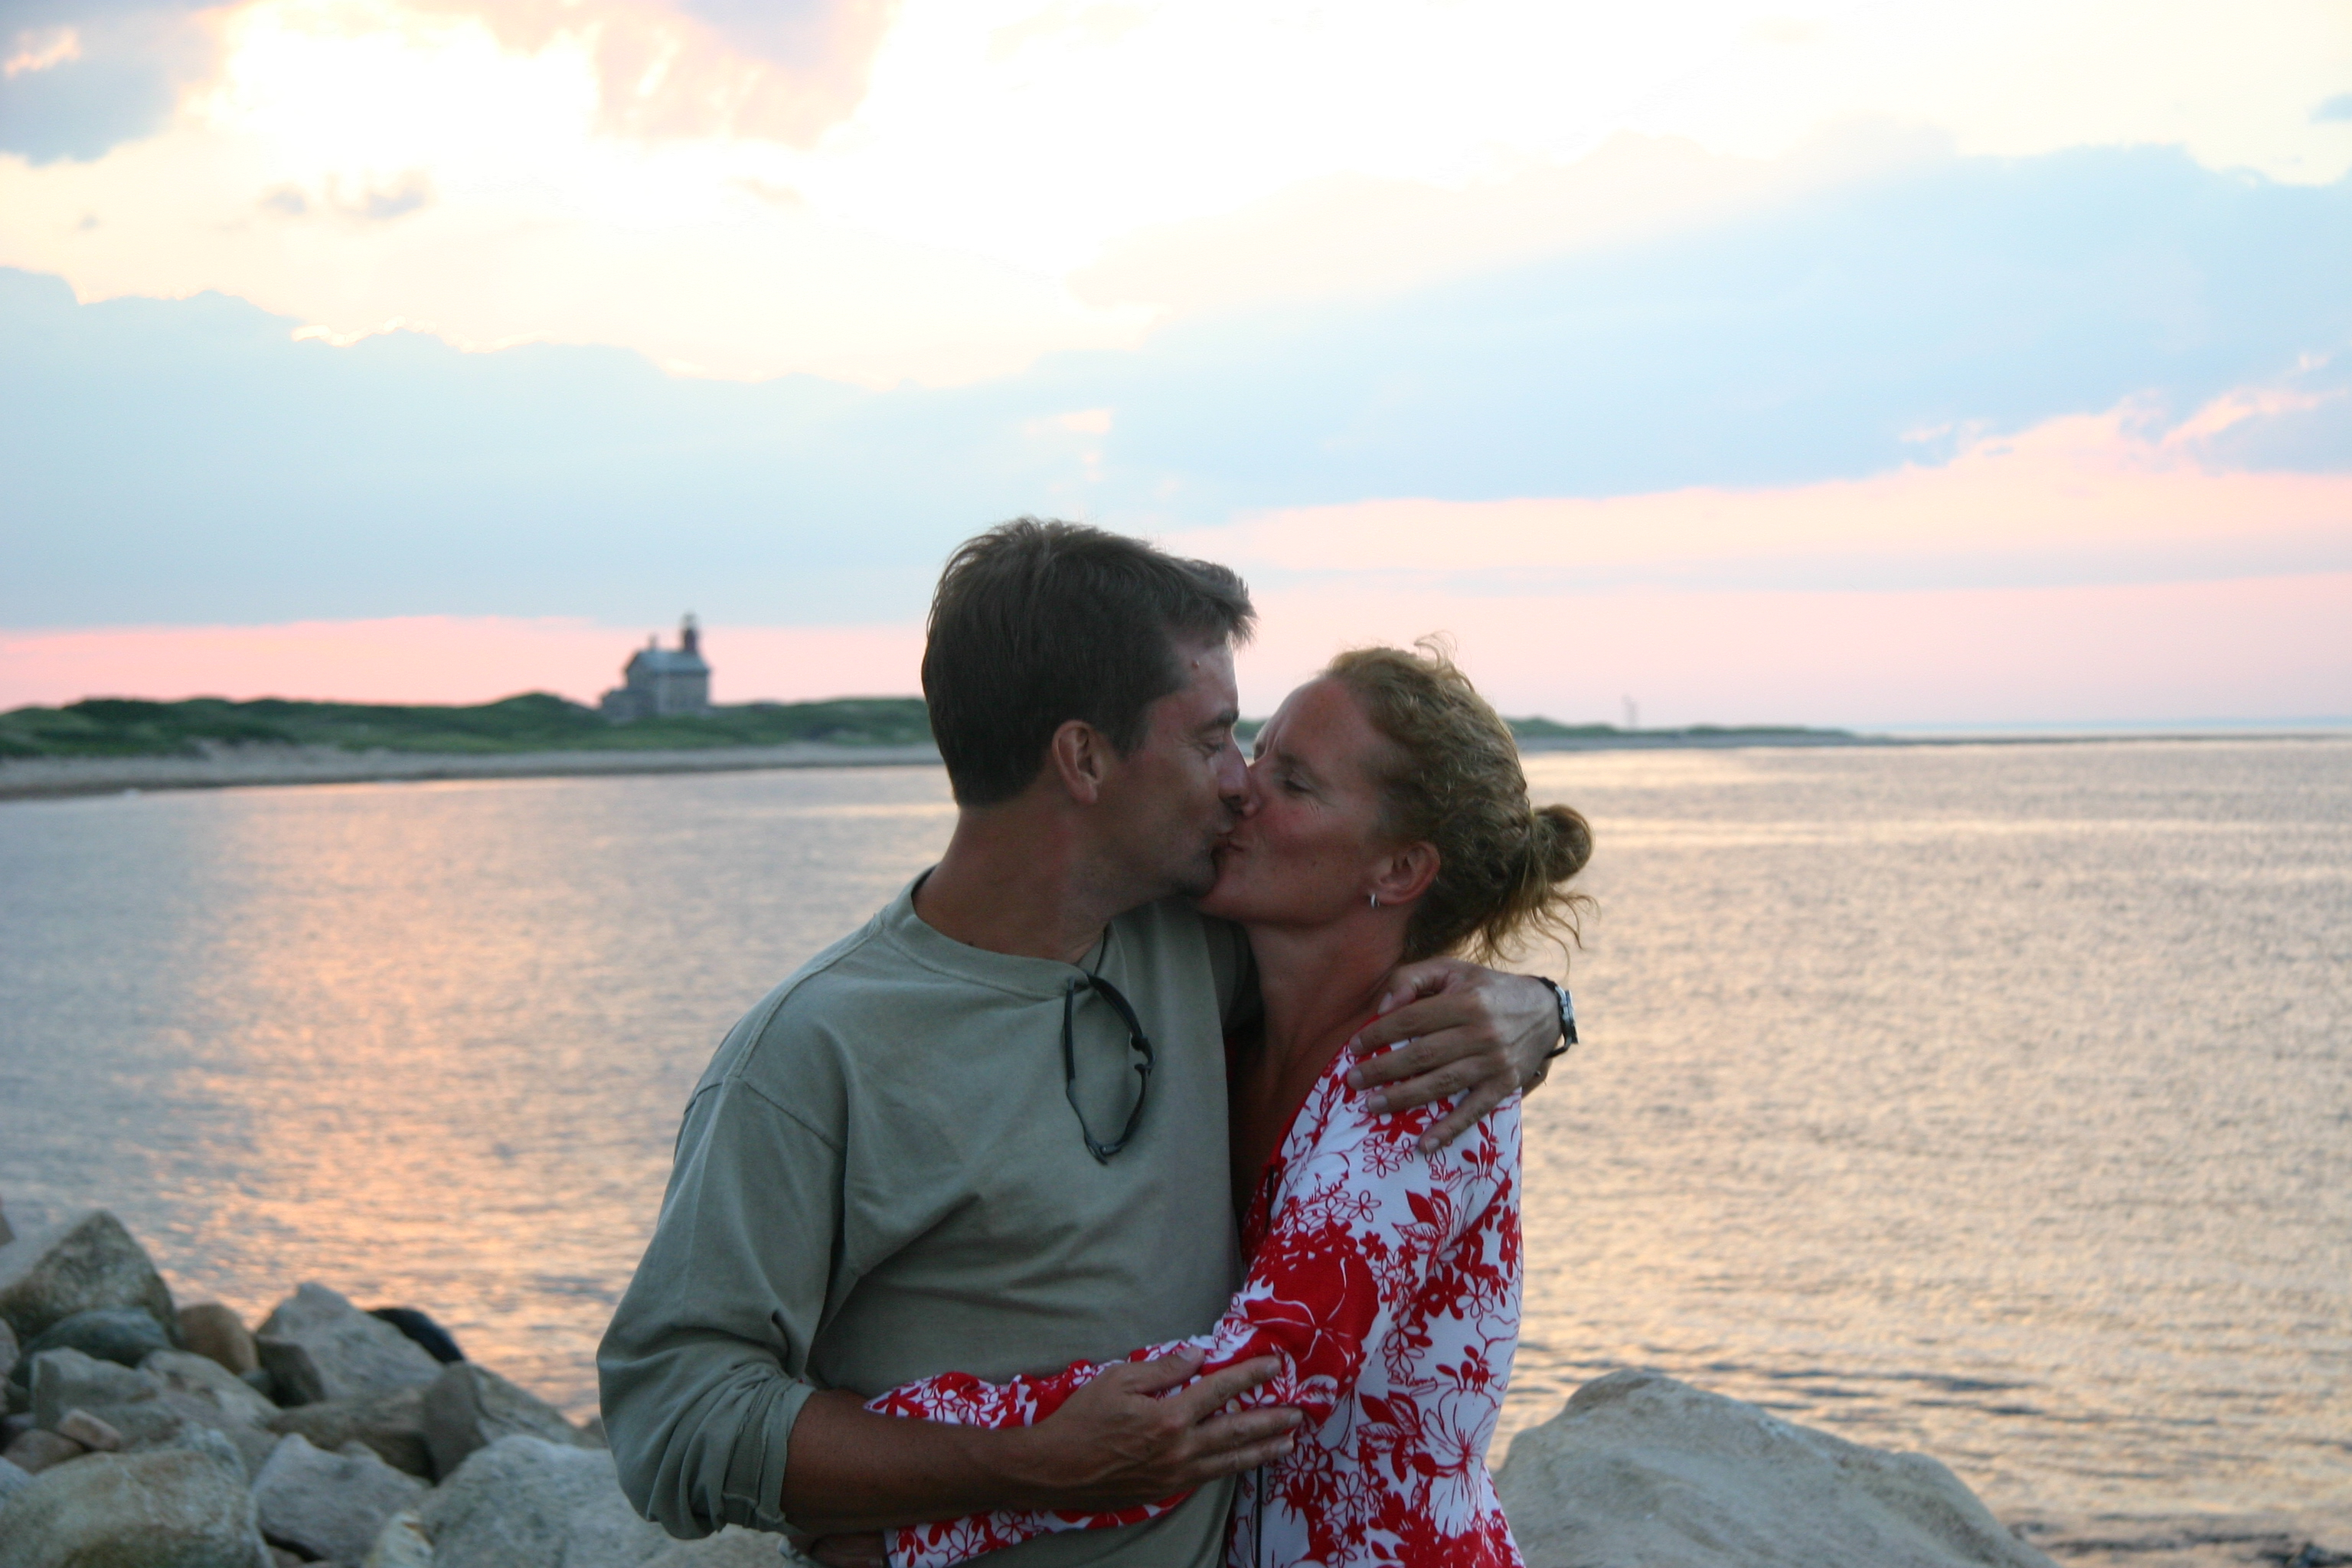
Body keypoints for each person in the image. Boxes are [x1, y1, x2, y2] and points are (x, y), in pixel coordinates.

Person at [598, 521, 1574, 1567]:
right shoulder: (812, 1054)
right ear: (1085, 758)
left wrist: (1539, 1008)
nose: (1239, 783)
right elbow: (674, 1415)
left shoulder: (1202, 956)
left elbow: (1370, 962)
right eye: (1215, 740)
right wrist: (1012, 1465)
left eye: (1270, 766)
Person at [835, 642, 1589, 1568]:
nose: (1239, 786)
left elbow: (1255, 1384)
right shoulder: (1209, 1039)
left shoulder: (1419, 1081)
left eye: (1294, 782)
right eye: (1256, 750)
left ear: (1398, 869)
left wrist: (910, 1482)